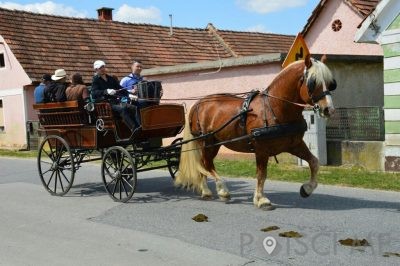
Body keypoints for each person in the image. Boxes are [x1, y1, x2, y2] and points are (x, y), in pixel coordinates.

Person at [91, 60, 138, 133]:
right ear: (96, 69)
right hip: (106, 105)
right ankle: (134, 129)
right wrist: (106, 91)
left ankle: (139, 126)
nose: (103, 69)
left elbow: (120, 89)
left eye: (103, 67)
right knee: (122, 108)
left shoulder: (110, 78)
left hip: (115, 102)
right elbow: (94, 93)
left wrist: (129, 94)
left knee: (134, 108)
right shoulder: (95, 80)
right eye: (100, 68)